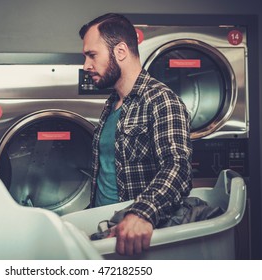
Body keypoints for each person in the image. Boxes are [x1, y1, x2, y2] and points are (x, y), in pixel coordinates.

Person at [79, 13, 193, 256]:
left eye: (92, 55)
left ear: (120, 51)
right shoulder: (112, 104)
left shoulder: (161, 100)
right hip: (104, 231)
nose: (86, 65)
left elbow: (178, 168)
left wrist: (141, 213)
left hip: (132, 235)